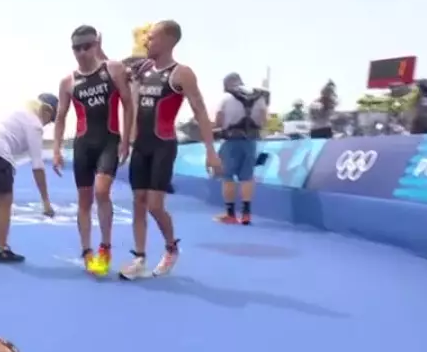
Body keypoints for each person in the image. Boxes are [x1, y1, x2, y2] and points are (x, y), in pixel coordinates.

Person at [120, 20, 222, 280]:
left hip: (162, 145)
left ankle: (171, 248)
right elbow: (131, 105)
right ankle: (139, 258)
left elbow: (200, 111)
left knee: (155, 205)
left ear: (168, 40)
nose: (147, 41)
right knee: (138, 202)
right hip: (140, 146)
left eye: (153, 37)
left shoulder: (181, 73)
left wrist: (211, 151)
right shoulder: (142, 71)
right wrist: (126, 141)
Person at [51, 25, 135, 276]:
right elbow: (60, 117)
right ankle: (87, 251)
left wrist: (126, 139)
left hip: (109, 140)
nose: (82, 52)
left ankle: (105, 246)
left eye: (87, 46)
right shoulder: (68, 81)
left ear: (96, 46)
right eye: (76, 48)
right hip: (83, 145)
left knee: (102, 191)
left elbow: (128, 105)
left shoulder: (113, 69)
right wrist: (56, 149)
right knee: (84, 200)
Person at [0, 95, 58, 263]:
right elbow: (37, 165)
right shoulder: (34, 124)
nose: (47, 124)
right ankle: (2, 249)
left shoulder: (15, 111)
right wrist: (46, 201)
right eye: (50, 120)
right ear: (46, 111)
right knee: (4, 201)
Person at [214, 73, 268, 225]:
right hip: (251, 141)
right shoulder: (258, 97)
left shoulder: (226, 98)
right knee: (247, 177)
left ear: (227, 84)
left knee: (227, 176)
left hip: (231, 141)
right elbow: (264, 119)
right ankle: (246, 214)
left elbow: (219, 120)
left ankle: (230, 214)